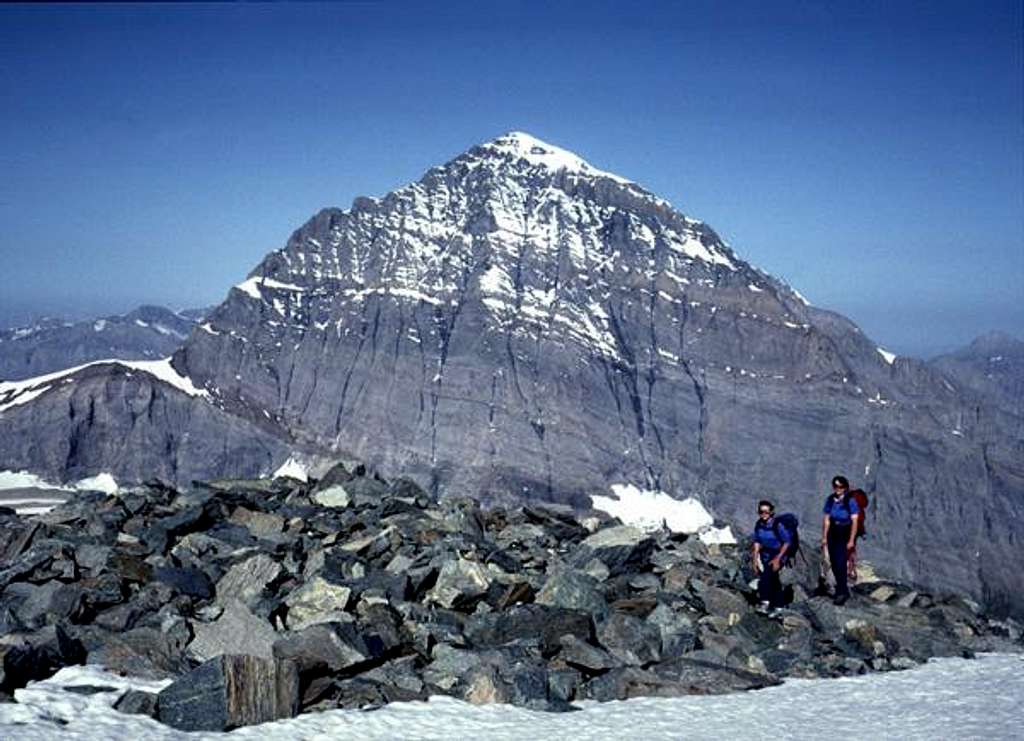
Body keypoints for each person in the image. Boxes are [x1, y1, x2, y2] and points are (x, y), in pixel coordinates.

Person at [822, 475, 860, 605]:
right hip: (833, 531)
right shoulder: (830, 500)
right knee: (833, 561)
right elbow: (827, 519)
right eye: (835, 486)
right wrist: (824, 537)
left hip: (844, 531)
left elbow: (855, 521)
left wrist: (851, 540)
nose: (838, 489)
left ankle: (842, 591)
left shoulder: (850, 501)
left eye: (840, 486)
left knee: (840, 562)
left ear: (845, 487)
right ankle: (841, 587)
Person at [751, 499, 793, 614]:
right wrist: (754, 559)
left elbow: (787, 542)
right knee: (773, 579)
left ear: (771, 512)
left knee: (766, 577)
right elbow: (757, 541)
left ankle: (765, 603)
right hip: (765, 554)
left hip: (778, 554)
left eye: (766, 512)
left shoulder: (777, 525)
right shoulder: (759, 524)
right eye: (761, 512)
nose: (763, 514)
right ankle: (778, 606)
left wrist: (778, 559)